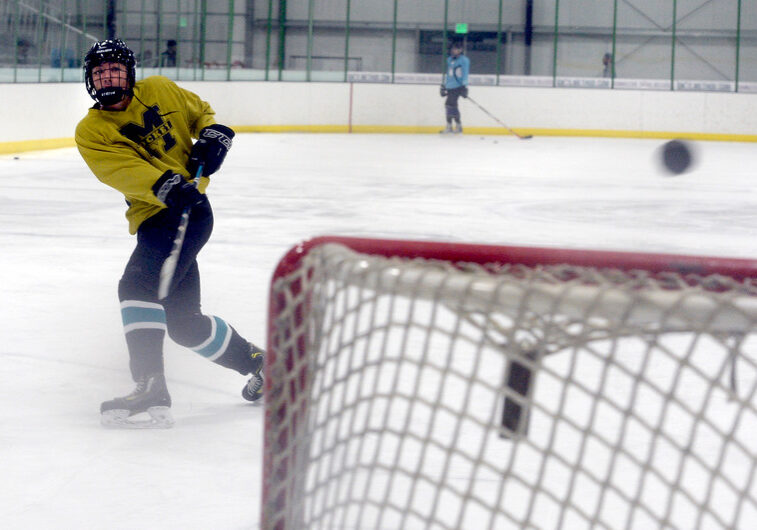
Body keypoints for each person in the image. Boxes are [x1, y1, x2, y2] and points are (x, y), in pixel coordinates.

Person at [75, 39, 264, 428]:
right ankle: (263, 365)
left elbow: (203, 116)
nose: (107, 76)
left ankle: (150, 386)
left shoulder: (160, 89)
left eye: (114, 70)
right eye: (99, 72)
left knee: (136, 287)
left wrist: (214, 136)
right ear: (89, 80)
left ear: (129, 73)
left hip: (186, 215)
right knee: (183, 323)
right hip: (159, 215)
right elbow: (121, 171)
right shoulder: (92, 130)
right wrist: (168, 184)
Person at [439, 40, 470, 134]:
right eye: (453, 49)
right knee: (451, 105)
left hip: (458, 86)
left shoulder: (464, 60)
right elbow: (449, 74)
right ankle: (457, 126)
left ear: (460, 50)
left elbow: (465, 73)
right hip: (450, 86)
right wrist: (444, 85)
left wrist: (464, 86)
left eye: (456, 49)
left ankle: (452, 126)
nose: (454, 50)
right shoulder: (449, 59)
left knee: (449, 104)